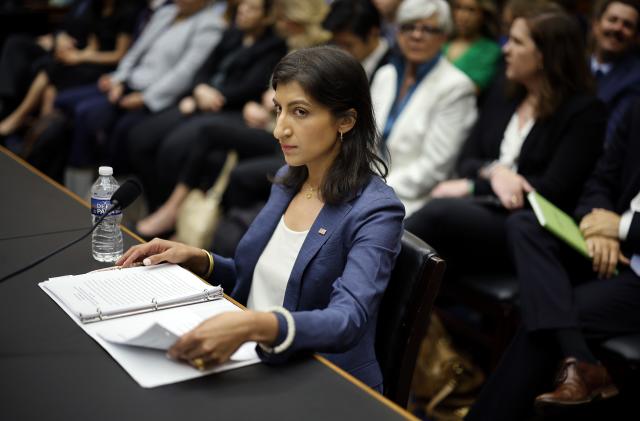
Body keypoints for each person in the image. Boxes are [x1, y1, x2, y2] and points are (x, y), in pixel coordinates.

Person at [116, 46, 405, 391]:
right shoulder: (290, 177)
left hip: (323, 379)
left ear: (346, 120)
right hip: (256, 357)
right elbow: (257, 278)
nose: (279, 130)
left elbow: (347, 320)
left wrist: (254, 326)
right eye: (278, 110)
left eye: (300, 112)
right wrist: (200, 259)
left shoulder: (376, 211)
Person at [466, 99, 640, 421]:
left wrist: (624, 228)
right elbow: (601, 179)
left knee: (549, 313)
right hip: (605, 245)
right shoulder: (637, 107)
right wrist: (598, 225)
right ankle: (581, 361)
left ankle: (577, 362)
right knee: (525, 224)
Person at [404, 10, 605, 281]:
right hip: (482, 208)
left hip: (528, 227)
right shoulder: (504, 92)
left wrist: (476, 185)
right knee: (431, 222)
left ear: (546, 54)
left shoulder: (584, 113)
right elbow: (468, 158)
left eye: (517, 42)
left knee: (440, 211)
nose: (506, 50)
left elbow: (553, 191)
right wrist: (497, 173)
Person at [127, 0, 285, 208]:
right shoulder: (232, 34)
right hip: (201, 100)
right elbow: (205, 67)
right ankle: (152, 202)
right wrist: (200, 89)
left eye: (252, 8)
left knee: (173, 147)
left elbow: (250, 86)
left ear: (266, 17)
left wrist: (212, 96)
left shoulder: (274, 46)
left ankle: (164, 209)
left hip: (230, 109)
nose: (243, 11)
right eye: (242, 5)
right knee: (140, 137)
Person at [56, 0, 225, 172]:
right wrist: (119, 80)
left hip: (158, 95)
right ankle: (71, 172)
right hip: (130, 82)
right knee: (64, 102)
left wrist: (146, 97)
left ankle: (97, 184)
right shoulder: (166, 12)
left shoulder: (209, 25)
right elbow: (136, 51)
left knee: (94, 117)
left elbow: (185, 72)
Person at [371, 0, 477, 216]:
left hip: (414, 201)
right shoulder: (386, 75)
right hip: (365, 187)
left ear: (444, 36)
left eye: (428, 29)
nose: (416, 35)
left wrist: (376, 190)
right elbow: (363, 141)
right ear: (398, 32)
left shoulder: (456, 87)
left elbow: (434, 168)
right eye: (409, 26)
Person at [0, 0, 139, 137]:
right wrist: (74, 53)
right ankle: (37, 135)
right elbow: (92, 45)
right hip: (91, 59)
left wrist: (80, 57)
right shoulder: (95, 8)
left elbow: (119, 55)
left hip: (107, 68)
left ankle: (20, 119)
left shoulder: (127, 12)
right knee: (52, 80)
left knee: (52, 73)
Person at [589, 0, 640, 145]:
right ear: (596, 25)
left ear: (636, 37)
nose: (618, 28)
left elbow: (612, 138)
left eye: (627, 25)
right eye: (612, 20)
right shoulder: (576, 64)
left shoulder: (635, 79)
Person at [323, 0, 391, 82]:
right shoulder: (336, 67)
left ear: (373, 34)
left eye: (348, 45)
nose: (341, 51)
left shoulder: (394, 66)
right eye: (335, 44)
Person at [444, 0, 501, 93]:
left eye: (471, 10)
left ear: (483, 15)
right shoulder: (443, 43)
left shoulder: (489, 50)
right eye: (458, 7)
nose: (463, 16)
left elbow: (470, 90)